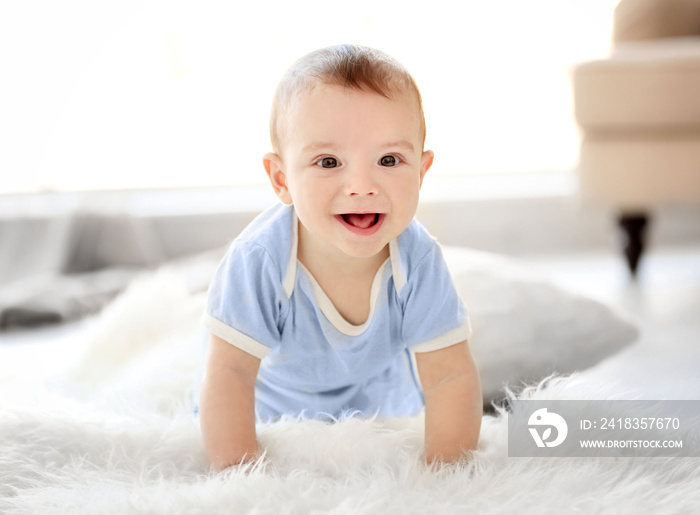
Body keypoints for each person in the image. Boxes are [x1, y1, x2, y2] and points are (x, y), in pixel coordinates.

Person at [198, 44, 482, 471]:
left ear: (421, 172)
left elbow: (449, 375)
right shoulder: (260, 259)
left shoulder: (417, 261)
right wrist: (240, 473)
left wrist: (445, 476)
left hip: (380, 411)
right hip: (270, 411)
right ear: (282, 180)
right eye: (328, 161)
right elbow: (230, 373)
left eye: (389, 159)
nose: (362, 186)